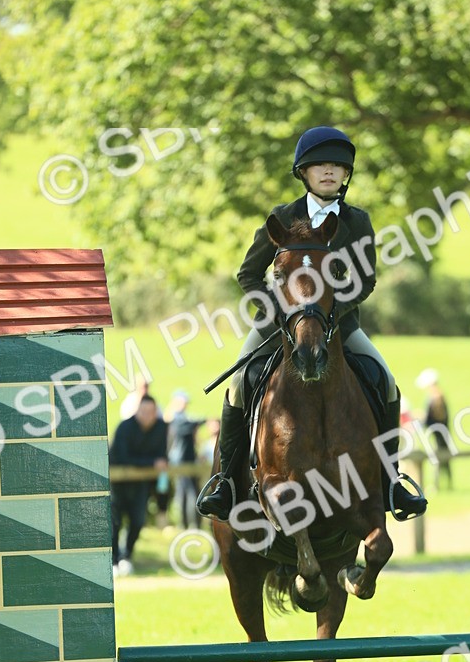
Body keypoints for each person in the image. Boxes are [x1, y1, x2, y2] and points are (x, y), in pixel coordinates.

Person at [196, 125, 427, 522]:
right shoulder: (281, 218)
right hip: (276, 326)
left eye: (338, 167)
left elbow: (366, 279)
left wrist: (332, 312)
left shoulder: (357, 222)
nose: (329, 172)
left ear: (345, 175)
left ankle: (390, 480)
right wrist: (278, 309)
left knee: (386, 382)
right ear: (303, 172)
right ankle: (225, 482)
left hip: (340, 327)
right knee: (238, 385)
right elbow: (248, 275)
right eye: (320, 165)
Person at [109, 395, 168, 575]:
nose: (148, 416)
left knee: (137, 521)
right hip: (117, 483)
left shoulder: (161, 428)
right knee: (115, 522)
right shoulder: (125, 427)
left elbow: (162, 456)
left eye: (151, 412)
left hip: (141, 483)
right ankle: (114, 560)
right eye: (144, 411)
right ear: (137, 411)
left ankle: (126, 556)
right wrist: (151, 463)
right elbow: (123, 458)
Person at [166, 390, 203, 530]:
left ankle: (188, 524)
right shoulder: (175, 418)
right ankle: (189, 524)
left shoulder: (176, 417)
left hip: (185, 461)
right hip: (181, 461)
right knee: (189, 492)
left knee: (185, 492)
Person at [415, 367, 452, 489]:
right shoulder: (440, 395)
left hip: (437, 433)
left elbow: (429, 419)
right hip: (443, 433)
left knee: (437, 460)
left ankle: (437, 486)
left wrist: (419, 417)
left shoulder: (433, 397)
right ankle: (447, 485)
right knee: (444, 461)